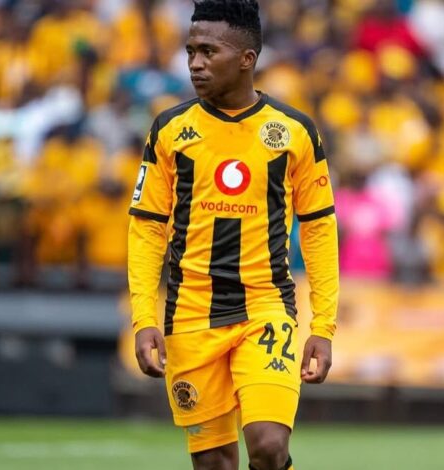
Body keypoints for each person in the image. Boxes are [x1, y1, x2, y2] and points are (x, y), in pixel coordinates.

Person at [126, 1, 339, 469]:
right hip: (190, 314)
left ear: (246, 59)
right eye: (191, 51)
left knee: (268, 446)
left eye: (208, 51)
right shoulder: (169, 130)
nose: (195, 63)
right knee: (214, 464)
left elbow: (319, 229)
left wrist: (322, 327)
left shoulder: (294, 132)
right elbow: (147, 228)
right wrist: (143, 319)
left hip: (266, 308)